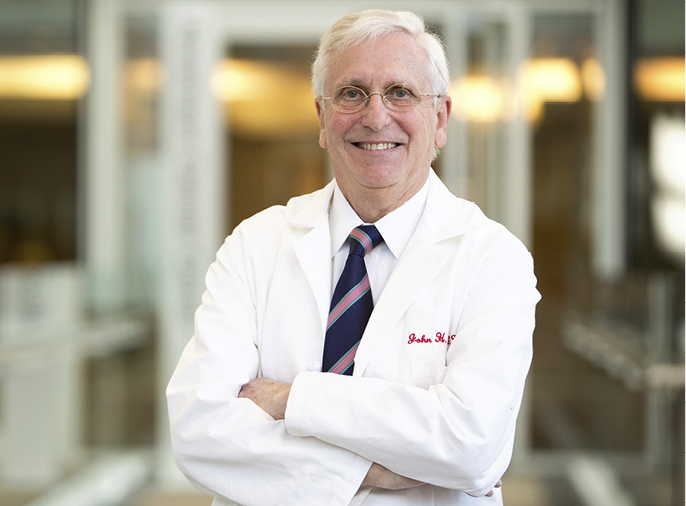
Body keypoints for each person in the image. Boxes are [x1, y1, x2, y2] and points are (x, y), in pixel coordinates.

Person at [166, 9, 540, 506]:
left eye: (400, 92)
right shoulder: (256, 244)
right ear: (322, 119)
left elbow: (471, 444)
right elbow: (199, 429)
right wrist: (376, 469)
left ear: (441, 119)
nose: (376, 115)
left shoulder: (493, 260)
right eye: (352, 93)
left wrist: (291, 399)